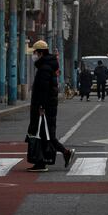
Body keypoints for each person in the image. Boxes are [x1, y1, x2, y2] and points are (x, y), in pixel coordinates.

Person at [27, 40, 74, 172]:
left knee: (44, 134)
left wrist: (41, 106)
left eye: (35, 52)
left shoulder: (44, 68)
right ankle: (42, 161)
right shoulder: (47, 66)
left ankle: (61, 155)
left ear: (40, 53)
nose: (34, 55)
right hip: (48, 107)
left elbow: (43, 89)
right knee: (44, 134)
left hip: (45, 108)